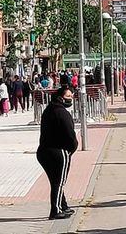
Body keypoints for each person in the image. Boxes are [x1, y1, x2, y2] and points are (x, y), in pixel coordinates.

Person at [36, 87, 78, 220]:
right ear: (61, 97)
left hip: (43, 151)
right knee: (59, 182)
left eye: (72, 96)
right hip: (58, 151)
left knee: (55, 181)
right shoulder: (62, 113)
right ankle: (56, 210)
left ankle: (63, 205)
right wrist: (71, 149)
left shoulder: (49, 110)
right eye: (68, 96)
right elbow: (70, 135)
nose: (70, 99)